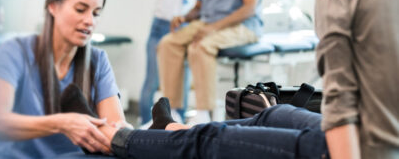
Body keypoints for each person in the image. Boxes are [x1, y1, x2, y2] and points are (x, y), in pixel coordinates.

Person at [0, 0, 129, 158]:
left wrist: (123, 133)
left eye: (96, 13)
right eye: (80, 9)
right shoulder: (15, 51)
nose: (89, 21)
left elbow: (114, 134)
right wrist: (62, 123)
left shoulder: (98, 60)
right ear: (53, 6)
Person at [61, 87, 329, 158]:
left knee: (212, 139)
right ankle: (170, 128)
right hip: (357, 134)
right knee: (276, 114)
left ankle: (109, 138)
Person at [157, 0, 263, 125]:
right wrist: (184, 17)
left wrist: (214, 28)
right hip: (208, 22)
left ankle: (203, 114)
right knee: (168, 43)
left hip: (243, 25)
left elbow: (250, 8)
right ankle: (171, 113)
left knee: (200, 46)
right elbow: (199, 7)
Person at [315, 0, 399, 158]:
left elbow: (340, 100)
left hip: (364, 146)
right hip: (391, 140)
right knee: (278, 113)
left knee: (232, 137)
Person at [139, 0, 200, 126]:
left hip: (185, 25)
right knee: (152, 82)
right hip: (161, 25)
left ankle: (177, 128)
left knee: (182, 83)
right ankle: (145, 127)